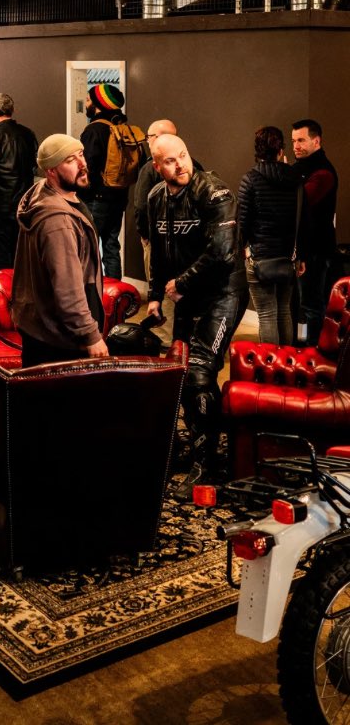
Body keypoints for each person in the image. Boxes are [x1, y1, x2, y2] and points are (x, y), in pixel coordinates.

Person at [146, 134, 247, 493]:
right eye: (171, 162)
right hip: (186, 294)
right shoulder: (156, 198)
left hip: (223, 294)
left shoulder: (213, 192)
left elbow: (222, 253)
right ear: (157, 167)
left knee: (201, 370)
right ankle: (188, 446)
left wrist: (181, 283)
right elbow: (159, 256)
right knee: (179, 368)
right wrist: (156, 296)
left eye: (184, 156)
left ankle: (208, 465)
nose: (181, 165)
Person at [12, 134, 108, 367]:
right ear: (51, 171)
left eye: (81, 155)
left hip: (45, 330)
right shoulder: (57, 220)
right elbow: (67, 286)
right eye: (70, 160)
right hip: (57, 338)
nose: (83, 164)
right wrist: (90, 333)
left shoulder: (50, 195)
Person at [237, 126, 308, 345]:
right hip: (287, 258)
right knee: (284, 312)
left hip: (260, 258)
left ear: (257, 152)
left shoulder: (250, 179)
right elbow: (302, 218)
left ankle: (270, 365)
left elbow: (243, 221)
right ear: (280, 151)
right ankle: (286, 365)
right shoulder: (295, 178)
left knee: (267, 314)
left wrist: (243, 248)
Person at [79, 83, 140, 279]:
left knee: (88, 248)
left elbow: (86, 167)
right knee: (112, 246)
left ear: (98, 104)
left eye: (88, 100)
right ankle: (116, 294)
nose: (86, 104)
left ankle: (91, 295)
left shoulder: (93, 130)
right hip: (119, 197)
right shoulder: (123, 129)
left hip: (95, 199)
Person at [292, 118, 339, 345]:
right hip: (303, 250)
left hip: (316, 251)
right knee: (301, 304)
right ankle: (299, 347)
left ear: (316, 141)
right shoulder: (300, 168)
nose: (296, 146)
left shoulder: (323, 173)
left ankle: (311, 351)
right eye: (293, 141)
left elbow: (299, 203)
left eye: (301, 140)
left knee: (310, 305)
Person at [0, 92, 38, 270]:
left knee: (0, 253)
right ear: (12, 110)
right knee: (21, 251)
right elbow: (34, 165)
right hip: (25, 202)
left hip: (0, 204)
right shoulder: (28, 134)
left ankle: (4, 292)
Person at [134, 119, 179, 283]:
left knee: (160, 290)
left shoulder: (150, 169)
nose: (147, 140)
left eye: (149, 136)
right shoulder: (192, 165)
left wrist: (145, 236)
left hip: (157, 240)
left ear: (158, 138)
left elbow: (141, 206)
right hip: (187, 240)